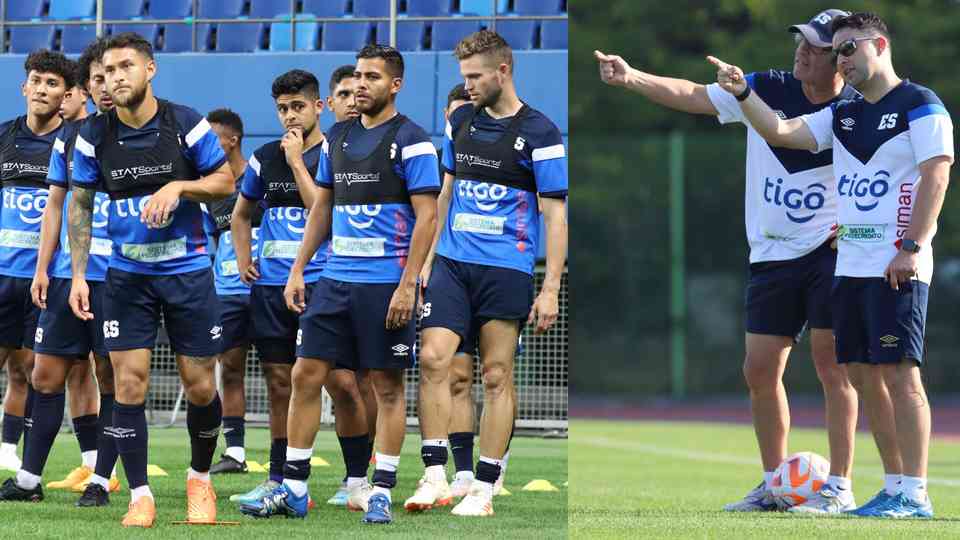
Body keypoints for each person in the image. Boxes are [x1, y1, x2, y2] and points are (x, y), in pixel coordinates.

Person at [596, 9, 905, 513]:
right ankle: (774, 485)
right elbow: (694, 95)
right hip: (771, 255)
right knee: (759, 370)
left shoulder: (856, 109)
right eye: (800, 42)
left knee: (834, 367)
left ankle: (839, 486)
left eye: (816, 47)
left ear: (840, 59)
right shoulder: (765, 88)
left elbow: (889, 176)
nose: (801, 51)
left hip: (830, 251)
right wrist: (632, 76)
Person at [708, 11, 952, 519]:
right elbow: (783, 130)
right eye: (836, 51)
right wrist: (742, 93)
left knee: (901, 376)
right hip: (852, 267)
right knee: (863, 376)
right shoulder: (845, 114)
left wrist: (911, 247)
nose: (842, 58)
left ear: (879, 44)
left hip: (896, 264)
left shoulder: (921, 105)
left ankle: (915, 492)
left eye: (850, 48)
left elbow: (936, 175)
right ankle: (892, 488)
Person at [242, 44, 440, 525]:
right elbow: (323, 209)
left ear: (395, 85)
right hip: (332, 282)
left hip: (384, 285)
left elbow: (428, 215)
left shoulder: (412, 140)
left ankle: (381, 490)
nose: (361, 86)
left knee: (387, 387)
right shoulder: (339, 139)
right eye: (356, 77)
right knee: (305, 375)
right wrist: (297, 269)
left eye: (372, 77)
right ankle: (293, 487)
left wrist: (408, 284)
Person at [67, 32, 234, 527]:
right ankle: (141, 494)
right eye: (109, 70)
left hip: (187, 274)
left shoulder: (185, 122)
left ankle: (200, 480)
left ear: (150, 70)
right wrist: (79, 275)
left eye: (126, 67)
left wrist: (180, 186)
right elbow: (80, 204)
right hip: (126, 277)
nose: (117, 77)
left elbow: (225, 181)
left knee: (200, 386)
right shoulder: (93, 134)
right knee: (128, 384)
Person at [409, 29, 568, 518]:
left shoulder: (542, 133)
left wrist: (550, 288)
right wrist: (427, 261)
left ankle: (484, 486)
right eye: (464, 76)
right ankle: (435, 473)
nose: (469, 84)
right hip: (453, 266)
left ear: (503, 71)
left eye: (476, 75)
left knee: (497, 375)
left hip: (507, 270)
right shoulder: (462, 124)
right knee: (434, 359)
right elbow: (444, 196)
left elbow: (555, 216)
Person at [227, 69, 330, 509]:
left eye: (298, 107)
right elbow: (240, 214)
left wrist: (295, 163)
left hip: (321, 281)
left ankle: (361, 478)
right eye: (283, 108)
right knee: (277, 380)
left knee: (341, 381)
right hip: (269, 286)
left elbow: (319, 210)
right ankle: (278, 477)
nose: (290, 115)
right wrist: (244, 258)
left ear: (318, 107)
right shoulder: (264, 156)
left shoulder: (334, 154)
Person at [0, 49, 75, 484]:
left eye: (52, 84)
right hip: (1, 276)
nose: (42, 90)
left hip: (44, 279)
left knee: (29, 371)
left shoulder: (74, 144)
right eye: (37, 81)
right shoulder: (5, 137)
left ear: (65, 95)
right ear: (24, 87)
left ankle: (18, 462)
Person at [319, 64, 382, 508]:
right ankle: (289, 474)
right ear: (330, 102)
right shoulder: (327, 147)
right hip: (321, 282)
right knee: (326, 378)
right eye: (341, 92)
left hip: (369, 281)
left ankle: (360, 474)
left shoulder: (384, 145)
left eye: (354, 90)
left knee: (367, 380)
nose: (350, 97)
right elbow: (317, 213)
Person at [204, 108, 256, 477]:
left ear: (232, 140)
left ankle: (289, 454)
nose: (207, 145)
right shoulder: (212, 189)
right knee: (230, 368)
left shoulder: (262, 176)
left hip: (270, 288)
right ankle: (235, 452)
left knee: (283, 373)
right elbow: (215, 239)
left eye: (212, 138)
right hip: (227, 292)